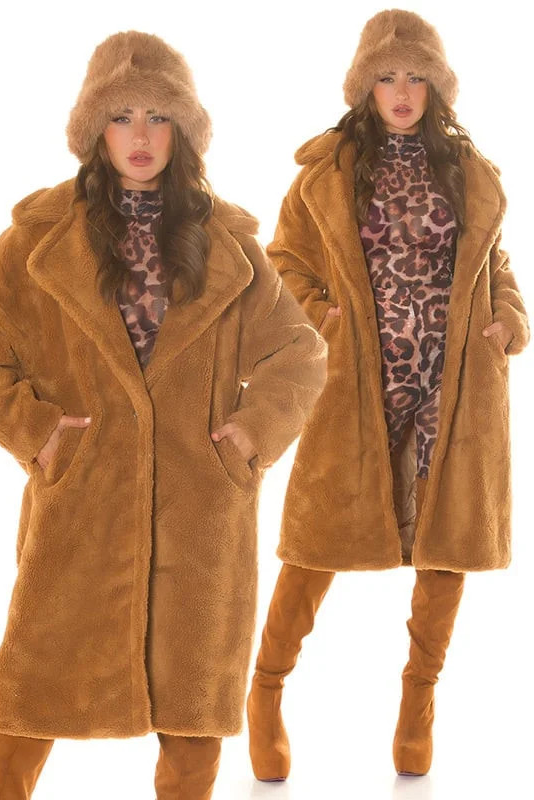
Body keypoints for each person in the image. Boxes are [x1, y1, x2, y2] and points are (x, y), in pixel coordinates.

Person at [0, 30, 327, 800]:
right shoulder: (38, 240)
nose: (141, 135)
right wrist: (39, 432)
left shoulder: (228, 246)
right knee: (32, 692)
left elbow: (300, 351)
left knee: (192, 711)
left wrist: (249, 436)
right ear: (96, 130)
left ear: (183, 130)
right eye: (122, 117)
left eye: (159, 116)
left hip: (200, 508)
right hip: (82, 502)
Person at [246, 9, 529, 780]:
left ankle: (417, 703)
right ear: (364, 86)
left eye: (416, 78)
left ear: (437, 88)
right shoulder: (327, 173)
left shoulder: (468, 170)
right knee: (316, 539)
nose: (402, 92)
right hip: (357, 382)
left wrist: (508, 319)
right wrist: (322, 317)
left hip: (452, 381)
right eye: (386, 77)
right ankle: (266, 692)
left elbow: (494, 262)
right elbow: (282, 262)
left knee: (447, 541)